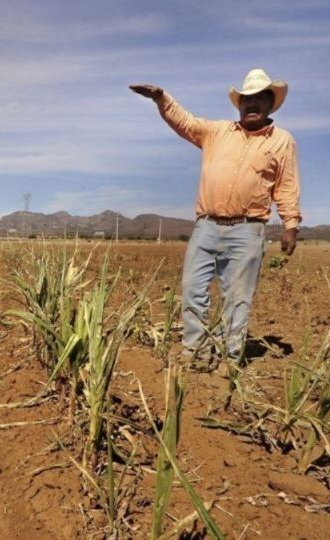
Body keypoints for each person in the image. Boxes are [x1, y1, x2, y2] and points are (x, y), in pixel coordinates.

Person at [130, 68, 301, 363]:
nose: (252, 104)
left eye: (260, 98)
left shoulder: (282, 141)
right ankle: (195, 353)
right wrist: (161, 98)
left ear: (271, 104)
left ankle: (229, 357)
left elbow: (286, 185)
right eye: (247, 99)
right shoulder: (216, 131)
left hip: (249, 230)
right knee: (192, 290)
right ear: (239, 104)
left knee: (237, 299)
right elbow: (185, 121)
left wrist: (291, 224)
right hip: (207, 226)